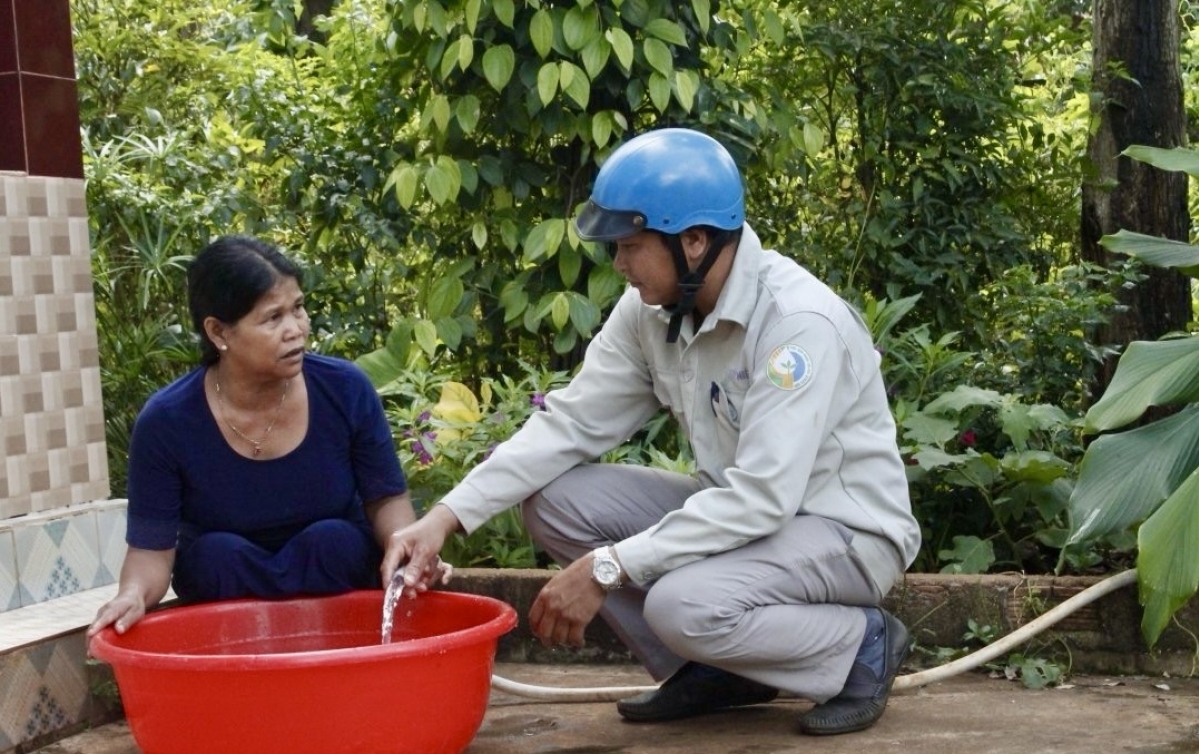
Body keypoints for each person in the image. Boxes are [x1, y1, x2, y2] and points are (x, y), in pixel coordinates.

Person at [384, 128, 921, 736]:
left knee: (681, 604)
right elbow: (571, 423)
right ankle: (720, 670)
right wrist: (445, 518)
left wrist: (607, 567)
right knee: (556, 502)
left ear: (693, 241)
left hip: (844, 532)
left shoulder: (796, 325)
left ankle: (860, 646)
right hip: (748, 520)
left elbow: (765, 497)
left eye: (630, 246)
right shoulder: (650, 310)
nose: (618, 264)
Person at [89, 235, 446, 639]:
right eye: (273, 318)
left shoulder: (345, 389)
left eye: (298, 309)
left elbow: (386, 500)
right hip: (229, 624)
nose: (296, 329)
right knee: (215, 556)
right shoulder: (166, 422)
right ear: (218, 331)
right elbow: (151, 551)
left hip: (342, 610)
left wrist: (408, 554)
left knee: (332, 541)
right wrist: (133, 594)